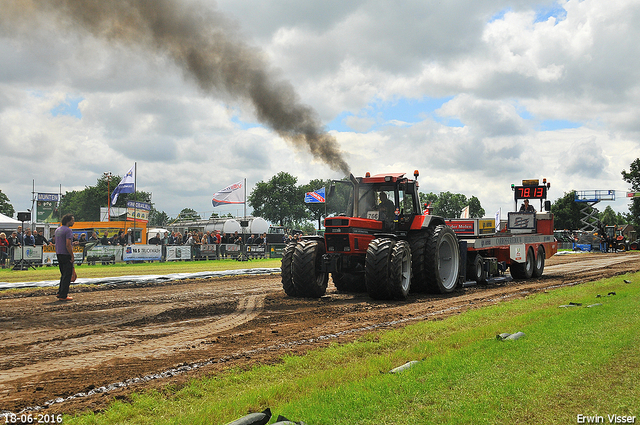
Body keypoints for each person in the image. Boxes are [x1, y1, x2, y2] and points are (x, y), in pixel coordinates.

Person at [54, 214, 75, 301]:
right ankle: (63, 295)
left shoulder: (57, 229)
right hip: (66, 254)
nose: (73, 222)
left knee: (63, 274)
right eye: (72, 220)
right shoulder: (68, 230)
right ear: (68, 221)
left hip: (59, 253)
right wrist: (72, 255)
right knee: (67, 275)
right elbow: (67, 244)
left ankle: (60, 292)